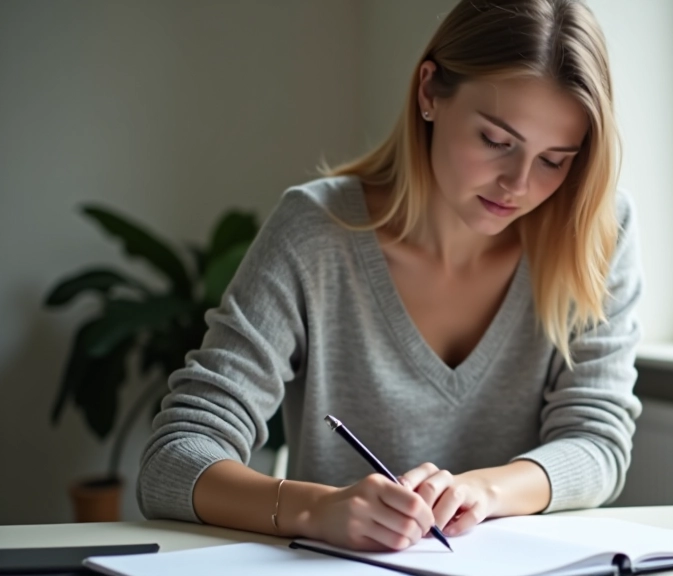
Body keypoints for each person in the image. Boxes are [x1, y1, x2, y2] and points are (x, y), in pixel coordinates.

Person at [137, 0, 643, 553]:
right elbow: (175, 458)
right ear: (429, 91)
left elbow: (597, 444)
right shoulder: (315, 233)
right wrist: (316, 508)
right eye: (497, 142)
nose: (517, 185)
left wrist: (483, 491)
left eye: (555, 159)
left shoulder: (594, 231)